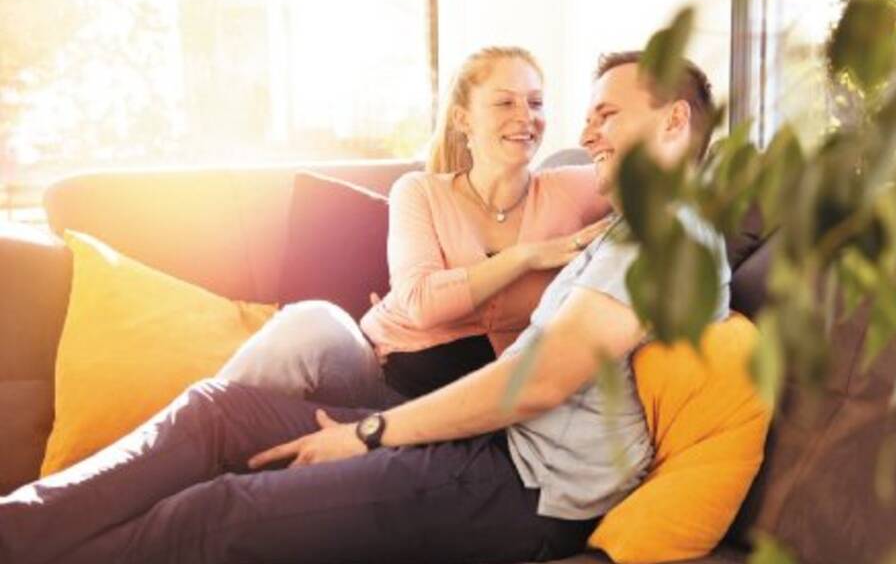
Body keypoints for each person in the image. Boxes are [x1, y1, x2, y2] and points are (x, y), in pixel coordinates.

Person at [0, 51, 730, 564]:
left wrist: (370, 433)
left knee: (216, 513)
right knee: (219, 411)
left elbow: (536, 381)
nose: (582, 133)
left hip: (525, 485)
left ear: (672, 123)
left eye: (607, 115)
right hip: (490, 444)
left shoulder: (667, 238)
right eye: (588, 115)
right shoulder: (625, 228)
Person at [218, 46, 611, 408]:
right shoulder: (419, 190)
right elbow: (421, 304)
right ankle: (205, 417)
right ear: (463, 119)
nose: (525, 116)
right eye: (505, 102)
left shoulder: (571, 189)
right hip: (374, 378)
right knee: (312, 321)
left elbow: (644, 166)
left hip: (445, 412)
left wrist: (604, 123)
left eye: (535, 102)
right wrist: (526, 257)